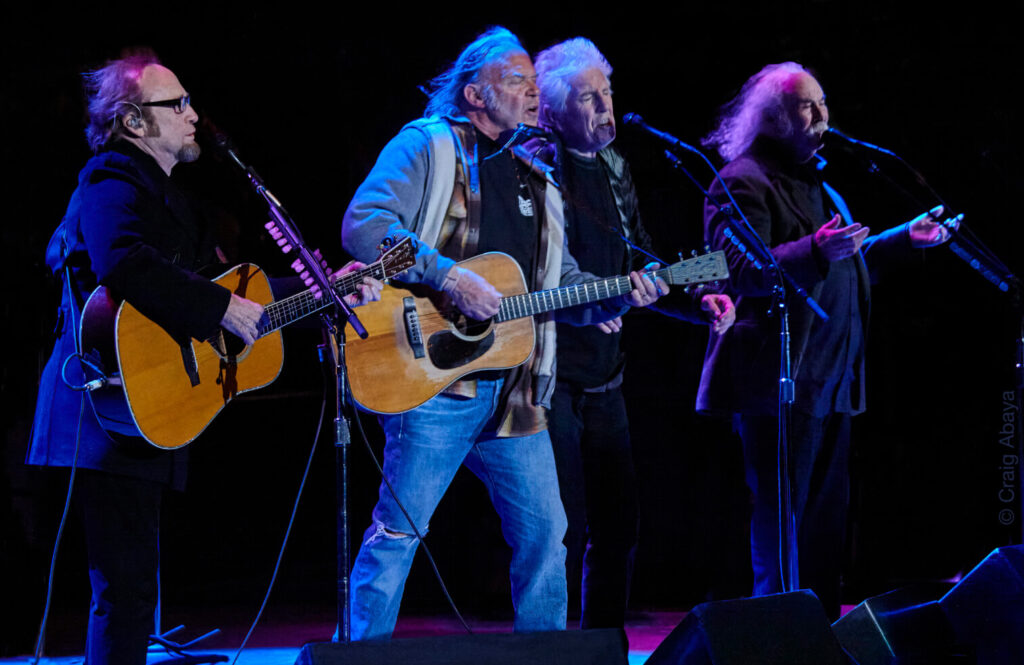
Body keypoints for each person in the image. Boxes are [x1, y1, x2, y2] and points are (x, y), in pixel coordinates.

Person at [27, 52, 379, 664]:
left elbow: (236, 291)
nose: (194, 116)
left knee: (133, 589)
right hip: (104, 407)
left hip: (142, 406)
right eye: (178, 104)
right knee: (125, 593)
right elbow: (123, 261)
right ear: (134, 121)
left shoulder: (173, 197)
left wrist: (331, 287)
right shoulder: (112, 177)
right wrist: (215, 309)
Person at [341, 27, 665, 641]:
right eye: (515, 80)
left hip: (516, 389)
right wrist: (449, 277)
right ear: (474, 94)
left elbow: (555, 282)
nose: (532, 91)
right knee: (399, 533)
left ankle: (546, 657)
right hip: (432, 379)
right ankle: (362, 656)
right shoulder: (427, 147)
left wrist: (614, 294)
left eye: (532, 81)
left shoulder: (536, 173)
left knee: (548, 535)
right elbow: (363, 227)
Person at [696, 62, 953, 618]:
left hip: (831, 380)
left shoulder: (821, 182)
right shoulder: (740, 180)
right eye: (806, 107)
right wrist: (815, 249)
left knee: (822, 526)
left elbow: (845, 264)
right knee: (781, 520)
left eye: (822, 102)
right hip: (778, 382)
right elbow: (739, 270)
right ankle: (780, 631)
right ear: (774, 118)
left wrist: (902, 240)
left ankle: (820, 633)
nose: (821, 116)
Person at [533, 37, 734, 629]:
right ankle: (556, 648)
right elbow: (538, 268)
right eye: (589, 97)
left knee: (619, 526)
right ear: (552, 112)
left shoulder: (617, 168)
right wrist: (593, 302)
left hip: (606, 377)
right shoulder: (538, 168)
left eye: (608, 93)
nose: (605, 106)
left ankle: (604, 646)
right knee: (560, 529)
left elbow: (643, 265)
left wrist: (699, 300)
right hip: (548, 375)